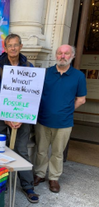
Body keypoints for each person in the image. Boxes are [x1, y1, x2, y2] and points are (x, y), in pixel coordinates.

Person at [0, 33, 39, 203]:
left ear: (21, 46)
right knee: (0, 149)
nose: (13, 48)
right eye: (10, 45)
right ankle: (1, 182)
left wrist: (24, 115)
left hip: (22, 117)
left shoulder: (29, 67)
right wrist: (6, 114)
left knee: (21, 149)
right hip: (0, 117)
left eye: (16, 45)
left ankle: (27, 185)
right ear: (5, 48)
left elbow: (33, 94)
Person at [34, 45, 86, 193]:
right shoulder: (45, 73)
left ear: (72, 56)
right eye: (60, 53)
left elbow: (81, 99)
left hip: (64, 123)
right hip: (43, 120)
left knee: (57, 152)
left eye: (66, 53)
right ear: (55, 55)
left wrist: (67, 110)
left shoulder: (78, 76)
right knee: (41, 150)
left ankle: (54, 178)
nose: (63, 56)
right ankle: (39, 174)